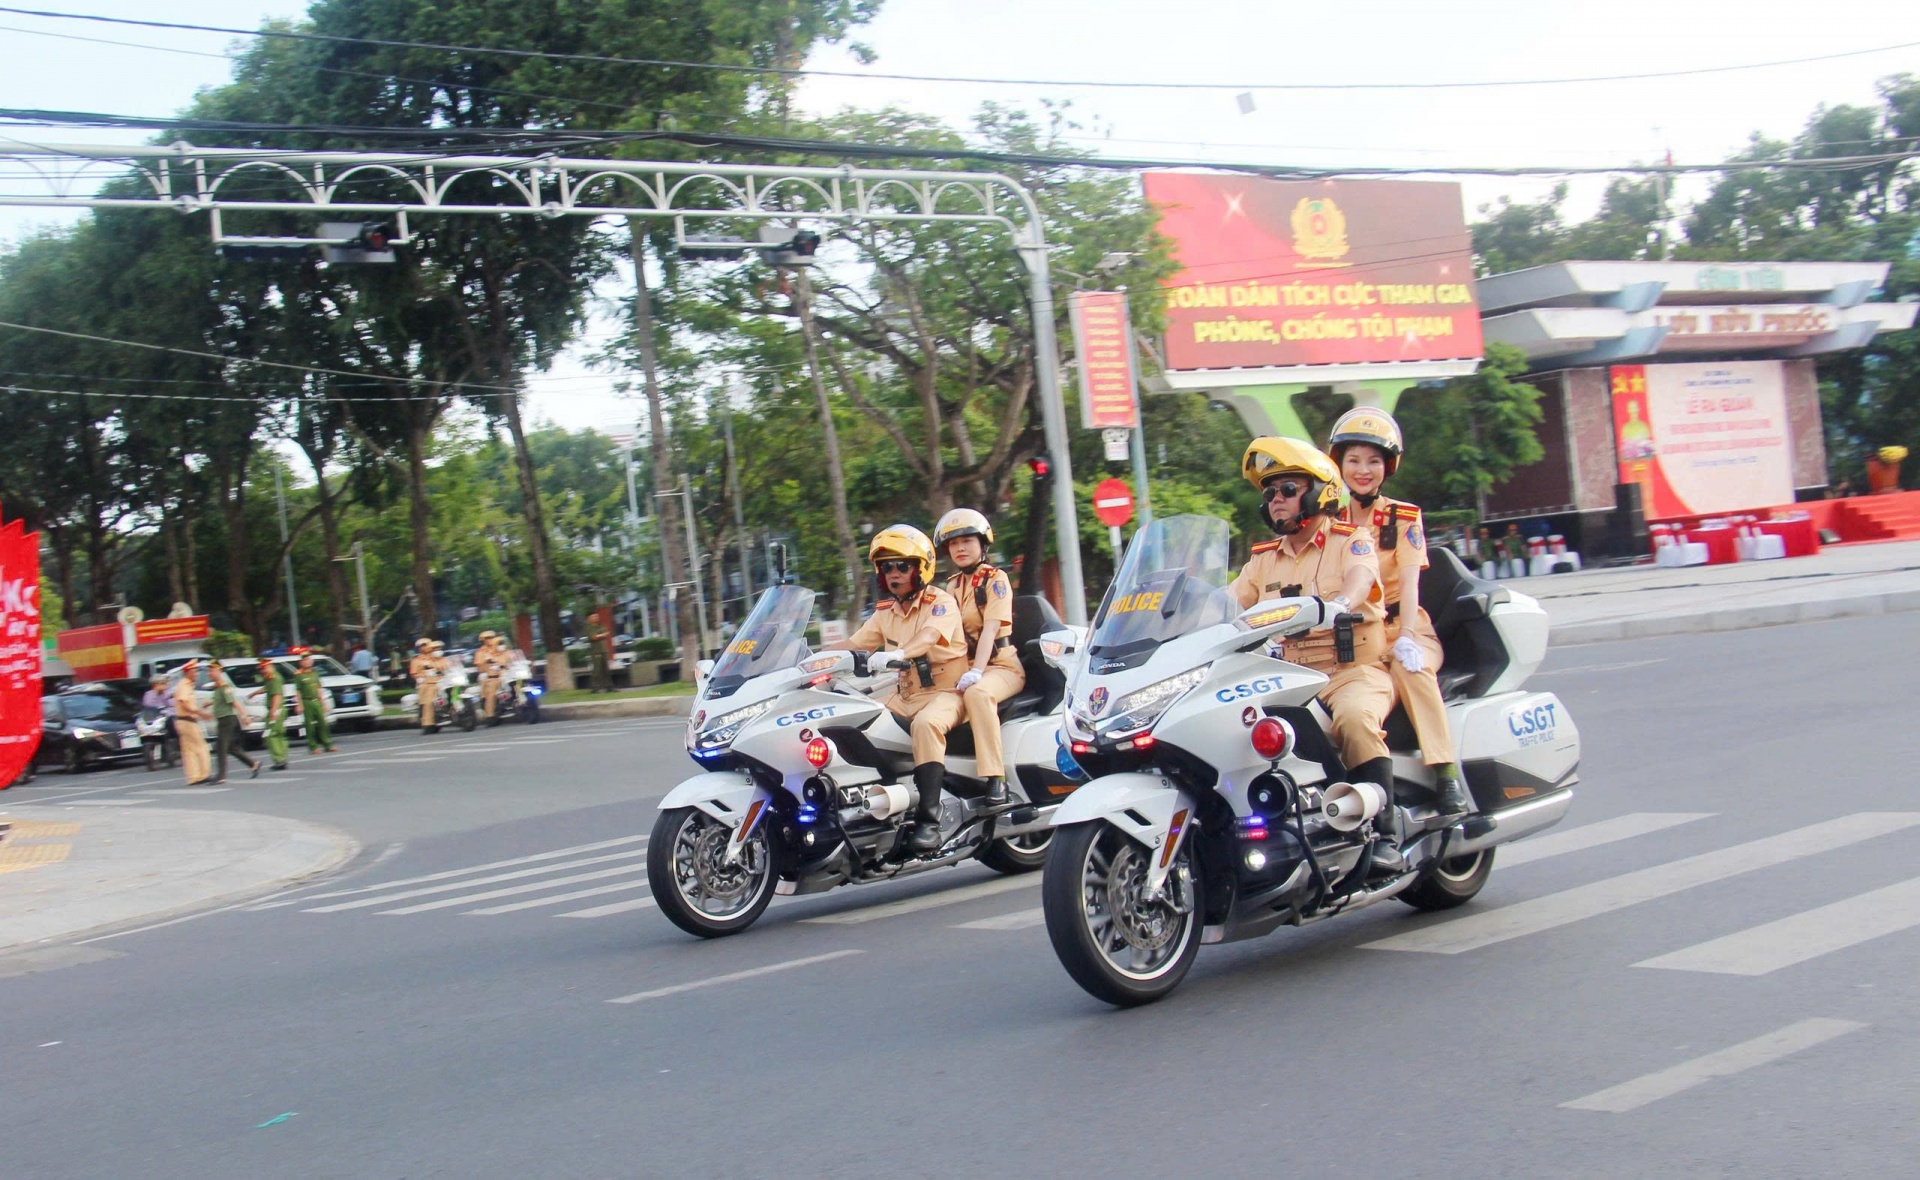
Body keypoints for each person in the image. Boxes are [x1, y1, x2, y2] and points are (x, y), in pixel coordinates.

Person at [1229, 437, 1403, 866]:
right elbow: (1228, 601)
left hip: (1352, 671)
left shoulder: (1351, 540)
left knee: (1355, 719)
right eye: (1270, 493)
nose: (1276, 500)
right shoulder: (1262, 561)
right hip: (1290, 679)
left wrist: (1341, 603)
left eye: (1288, 489)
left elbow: (1362, 578)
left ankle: (1385, 833)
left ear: (1320, 492)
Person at [1330, 408, 1469, 818]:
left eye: (1373, 461)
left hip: (1401, 627)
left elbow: (1409, 584)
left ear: (1387, 467)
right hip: (1354, 636)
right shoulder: (1328, 521)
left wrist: (1407, 634)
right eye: (1354, 460)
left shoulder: (1403, 517)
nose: (1363, 470)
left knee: (1411, 669)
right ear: (1339, 464)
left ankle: (1446, 774)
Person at [829, 525, 971, 854]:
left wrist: (897, 654)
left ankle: (930, 822)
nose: (893, 573)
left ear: (921, 568)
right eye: (886, 567)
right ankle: (878, 806)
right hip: (905, 695)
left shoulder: (941, 602)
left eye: (902, 566)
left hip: (947, 693)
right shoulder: (886, 613)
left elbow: (928, 638)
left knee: (927, 725)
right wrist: (805, 660)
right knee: (856, 719)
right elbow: (851, 645)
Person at [934, 507, 1024, 807]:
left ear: (983, 544)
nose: (959, 548)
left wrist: (977, 671)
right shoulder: (952, 585)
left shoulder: (995, 580)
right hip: (968, 666)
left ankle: (996, 779)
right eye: (953, 544)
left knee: (977, 694)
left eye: (967, 541)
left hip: (1001, 665)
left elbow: (990, 630)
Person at [206, 662, 261, 782]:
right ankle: (253, 764)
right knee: (231, 748)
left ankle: (221, 776)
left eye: (212, 671)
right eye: (209, 671)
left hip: (227, 719)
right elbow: (219, 700)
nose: (209, 673)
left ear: (219, 672)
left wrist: (244, 716)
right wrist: (209, 703)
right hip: (223, 719)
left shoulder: (224, 686)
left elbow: (234, 702)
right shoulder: (218, 687)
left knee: (220, 747)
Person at [171, 659, 214, 785]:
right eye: (194, 671)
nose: (196, 674)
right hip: (187, 721)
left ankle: (193, 777)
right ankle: (203, 774)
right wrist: (200, 713)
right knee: (201, 747)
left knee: (189, 750)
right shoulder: (184, 685)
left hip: (183, 721)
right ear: (188, 672)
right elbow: (183, 702)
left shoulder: (185, 685)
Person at [290, 647, 338, 753]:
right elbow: (298, 691)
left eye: (308, 659)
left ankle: (328, 744)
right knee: (309, 725)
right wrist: (299, 704)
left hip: (316, 701)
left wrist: (323, 702)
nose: (306, 661)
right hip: (306, 702)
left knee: (323, 723)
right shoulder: (298, 675)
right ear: (301, 662)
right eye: (304, 660)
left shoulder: (315, 673)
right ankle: (313, 746)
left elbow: (318, 688)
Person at [250, 655, 291, 770]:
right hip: (278, 709)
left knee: (271, 735)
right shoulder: (270, 678)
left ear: (270, 666)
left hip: (276, 709)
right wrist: (254, 693)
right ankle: (282, 758)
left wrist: (273, 712)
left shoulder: (274, 678)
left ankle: (279, 760)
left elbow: (277, 696)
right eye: (261, 669)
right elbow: (267, 688)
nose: (262, 671)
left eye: (264, 668)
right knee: (279, 734)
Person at [141, 675, 177, 769]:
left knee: (172, 724)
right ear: (155, 685)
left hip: (166, 716)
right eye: (162, 684)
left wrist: (167, 711)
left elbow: (172, 706)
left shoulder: (168, 693)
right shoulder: (149, 694)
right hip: (153, 718)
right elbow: (148, 705)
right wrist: (156, 693)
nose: (165, 686)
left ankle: (173, 747)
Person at [409, 637, 441, 734]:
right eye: (421, 646)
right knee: (428, 703)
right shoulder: (417, 660)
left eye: (426, 645)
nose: (424, 648)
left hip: (440, 682)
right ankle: (427, 725)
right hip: (426, 684)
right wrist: (420, 677)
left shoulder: (436, 658)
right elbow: (413, 673)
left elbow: (445, 667)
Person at [474, 630, 506, 724]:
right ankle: (490, 716)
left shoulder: (500, 649)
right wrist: (487, 661)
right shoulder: (481, 652)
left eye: (491, 638)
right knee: (490, 694)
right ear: (483, 641)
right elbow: (479, 664)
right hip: (489, 676)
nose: (490, 640)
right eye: (487, 639)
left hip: (504, 675)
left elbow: (508, 657)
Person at [588, 614, 613, 693]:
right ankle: (595, 688)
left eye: (596, 616)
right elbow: (593, 637)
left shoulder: (601, 626)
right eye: (594, 617)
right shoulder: (589, 628)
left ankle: (609, 687)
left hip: (603, 650)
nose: (596, 618)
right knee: (597, 670)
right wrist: (602, 635)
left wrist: (600, 635)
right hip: (596, 651)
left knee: (606, 669)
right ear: (589, 619)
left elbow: (607, 632)